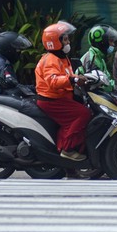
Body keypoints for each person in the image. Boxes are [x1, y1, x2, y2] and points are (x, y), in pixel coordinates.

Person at [35, 21, 91, 162]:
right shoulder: (50, 60)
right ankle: (67, 149)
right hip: (51, 100)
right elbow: (53, 81)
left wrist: (78, 79)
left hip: (61, 98)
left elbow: (68, 76)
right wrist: (73, 80)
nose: (68, 42)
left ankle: (62, 150)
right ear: (55, 42)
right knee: (83, 114)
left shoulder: (62, 58)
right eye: (64, 39)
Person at [79, 24, 117, 91]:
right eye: (110, 41)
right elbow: (97, 85)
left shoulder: (99, 57)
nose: (113, 44)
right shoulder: (92, 59)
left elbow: (106, 79)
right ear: (102, 42)